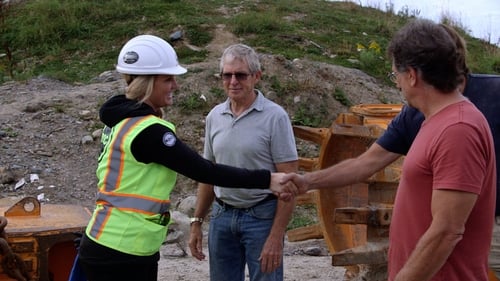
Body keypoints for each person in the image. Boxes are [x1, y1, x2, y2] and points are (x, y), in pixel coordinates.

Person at [283, 19, 497, 281]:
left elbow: (447, 231)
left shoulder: (458, 129)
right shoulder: (429, 119)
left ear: (412, 75)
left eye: (394, 74)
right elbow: (365, 164)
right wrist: (307, 181)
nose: (395, 83)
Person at [76, 35, 297, 281]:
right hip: (123, 245)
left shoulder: (119, 120)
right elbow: (205, 171)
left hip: (110, 237)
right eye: (168, 79)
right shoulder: (149, 130)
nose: (176, 86)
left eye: (241, 75)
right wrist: (267, 179)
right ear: (149, 82)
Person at [188, 43, 298, 281]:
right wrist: (197, 222)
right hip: (222, 216)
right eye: (227, 75)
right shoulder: (214, 116)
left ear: (256, 76)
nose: (233, 81)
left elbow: (290, 183)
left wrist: (276, 236)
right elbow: (208, 174)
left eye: (240, 75)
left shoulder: (275, 117)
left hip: (262, 217)